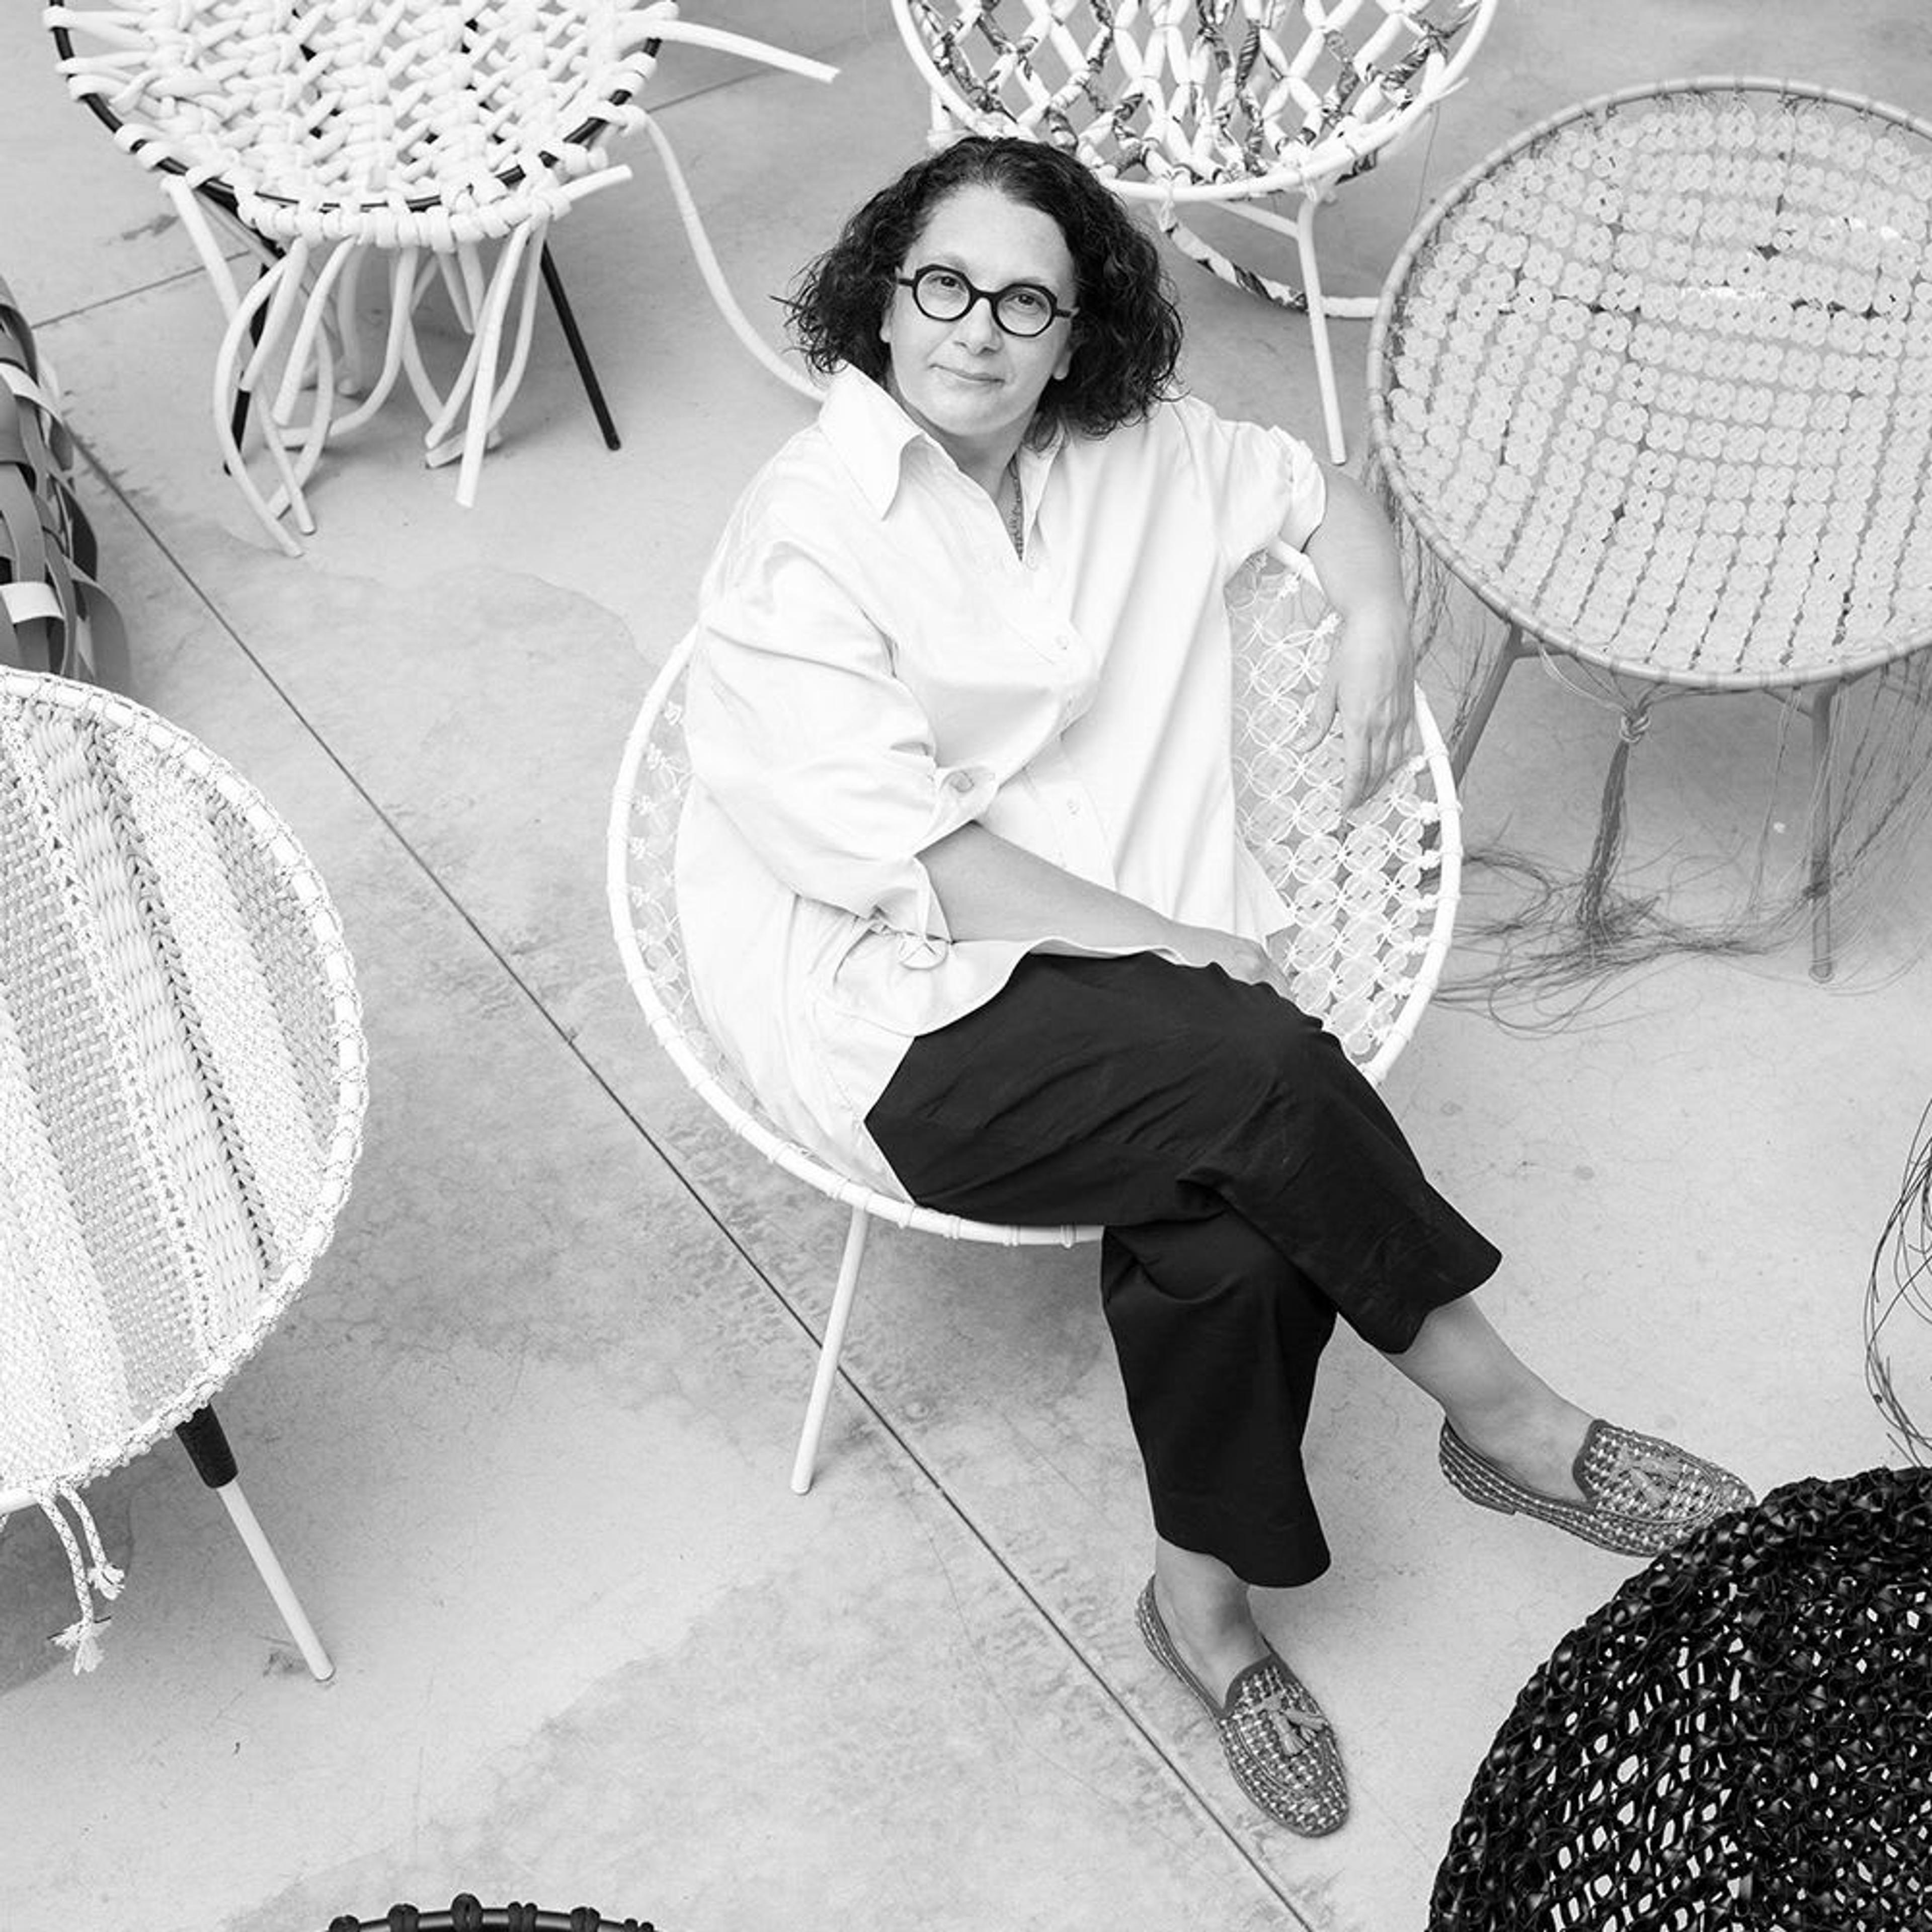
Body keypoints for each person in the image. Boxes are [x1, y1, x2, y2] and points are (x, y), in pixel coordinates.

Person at [673, 135, 1752, 1834]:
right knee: (1258, 1071)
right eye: (943, 285)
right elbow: (906, 857)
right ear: (882, 301)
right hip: (896, 1012)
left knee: (1243, 1229)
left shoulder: (1142, 454)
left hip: (1156, 1024)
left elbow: (1327, 491)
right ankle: (1512, 1422)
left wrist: (1377, 622)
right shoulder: (805, 534)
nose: (976, 330)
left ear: (1072, 333)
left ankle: (1204, 1615)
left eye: (1025, 302)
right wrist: (1165, 939)